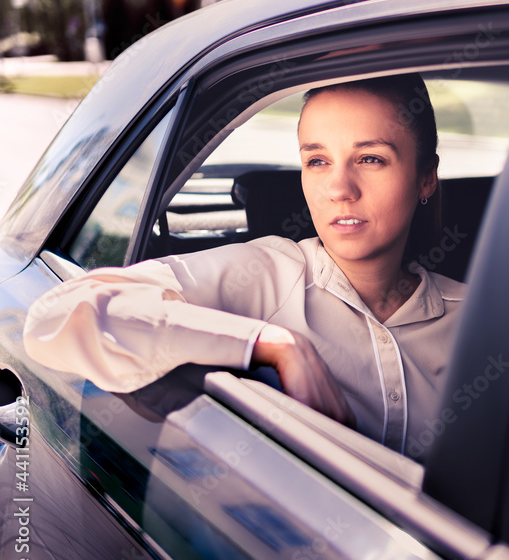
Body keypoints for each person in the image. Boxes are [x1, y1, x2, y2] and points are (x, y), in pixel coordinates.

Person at [23, 73, 464, 456]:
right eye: (317, 161)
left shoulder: (483, 317)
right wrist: (269, 342)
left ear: (426, 176)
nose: (339, 188)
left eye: (370, 158)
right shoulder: (265, 274)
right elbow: (53, 318)